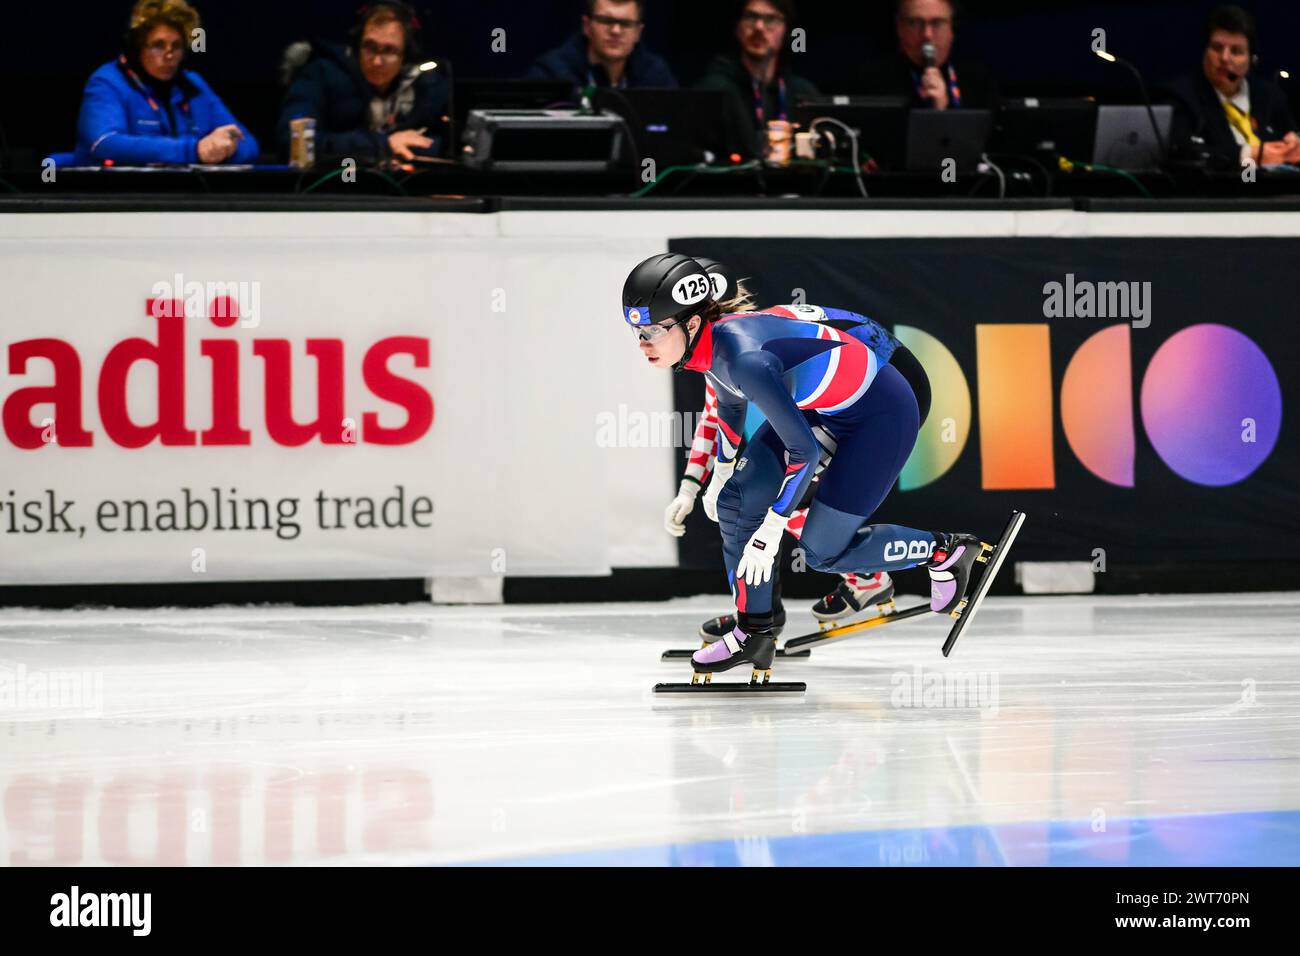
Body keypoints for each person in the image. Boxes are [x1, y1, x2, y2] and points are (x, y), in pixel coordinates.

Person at [625, 254, 973, 678]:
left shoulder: (746, 357)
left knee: (821, 551)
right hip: (826, 404)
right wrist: (715, 477)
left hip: (882, 410)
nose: (642, 343)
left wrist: (772, 528)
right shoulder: (713, 350)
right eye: (637, 332)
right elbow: (726, 408)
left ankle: (945, 550)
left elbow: (802, 452)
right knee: (738, 498)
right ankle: (754, 631)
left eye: (651, 332)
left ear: (693, 322)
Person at [665, 259, 932, 644]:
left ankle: (865, 577)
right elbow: (717, 419)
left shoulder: (739, 346)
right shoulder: (724, 343)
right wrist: (692, 486)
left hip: (888, 379)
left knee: (780, 494)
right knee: (753, 493)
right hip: (858, 379)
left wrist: (698, 485)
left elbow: (720, 419)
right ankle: (758, 613)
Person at [75, 0, 258, 166]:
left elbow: (248, 145)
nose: (169, 56)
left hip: (184, 194)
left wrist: (220, 149)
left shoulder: (193, 84)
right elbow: (104, 143)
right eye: (158, 45)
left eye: (176, 46)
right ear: (138, 46)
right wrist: (194, 151)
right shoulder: (108, 82)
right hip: (116, 194)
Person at [278, 1, 449, 164]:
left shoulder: (423, 86)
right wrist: (383, 144)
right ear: (356, 45)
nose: (376, 61)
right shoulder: (320, 75)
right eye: (370, 47)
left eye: (389, 50)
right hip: (334, 186)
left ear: (406, 56)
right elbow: (292, 143)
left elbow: (442, 146)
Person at [1164, 4, 1300, 170]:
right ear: (1205, 51)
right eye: (1217, 48)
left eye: (1236, 51)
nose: (1224, 58)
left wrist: (1293, 145)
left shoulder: (1269, 96)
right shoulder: (1182, 97)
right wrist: (1246, 155)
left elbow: (1290, 136)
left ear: (1251, 59)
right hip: (1217, 192)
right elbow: (1182, 153)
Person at [694, 0, 819, 160]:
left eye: (771, 19)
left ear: (786, 30)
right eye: (751, 17)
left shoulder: (803, 94)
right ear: (737, 27)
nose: (759, 27)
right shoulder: (714, 90)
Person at [844, 0, 996, 110]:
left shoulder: (978, 80)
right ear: (899, 28)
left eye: (937, 23)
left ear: (952, 29)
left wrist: (944, 110)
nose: (927, 34)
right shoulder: (870, 81)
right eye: (915, 23)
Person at [526, 0, 676, 91]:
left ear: (638, 32)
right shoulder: (551, 74)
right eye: (606, 21)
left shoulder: (656, 76)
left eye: (625, 24)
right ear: (586, 26)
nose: (616, 31)